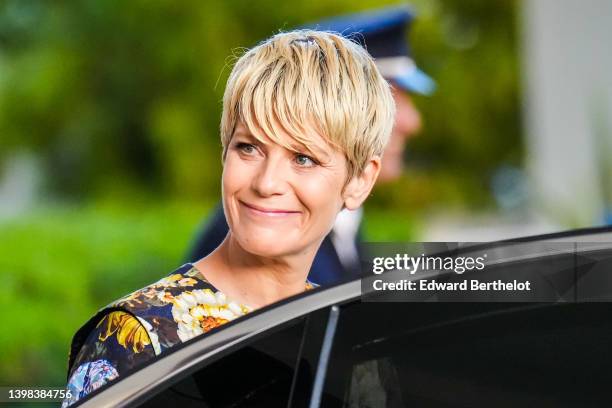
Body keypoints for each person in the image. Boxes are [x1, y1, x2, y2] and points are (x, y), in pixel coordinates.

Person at [62, 29, 395, 406]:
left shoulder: (353, 345)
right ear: (224, 151)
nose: (267, 182)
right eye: (248, 148)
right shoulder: (137, 339)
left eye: (304, 158)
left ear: (360, 180)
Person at [186, 5, 435, 285]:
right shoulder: (259, 224)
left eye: (303, 158)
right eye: (248, 147)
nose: (412, 122)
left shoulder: (337, 224)